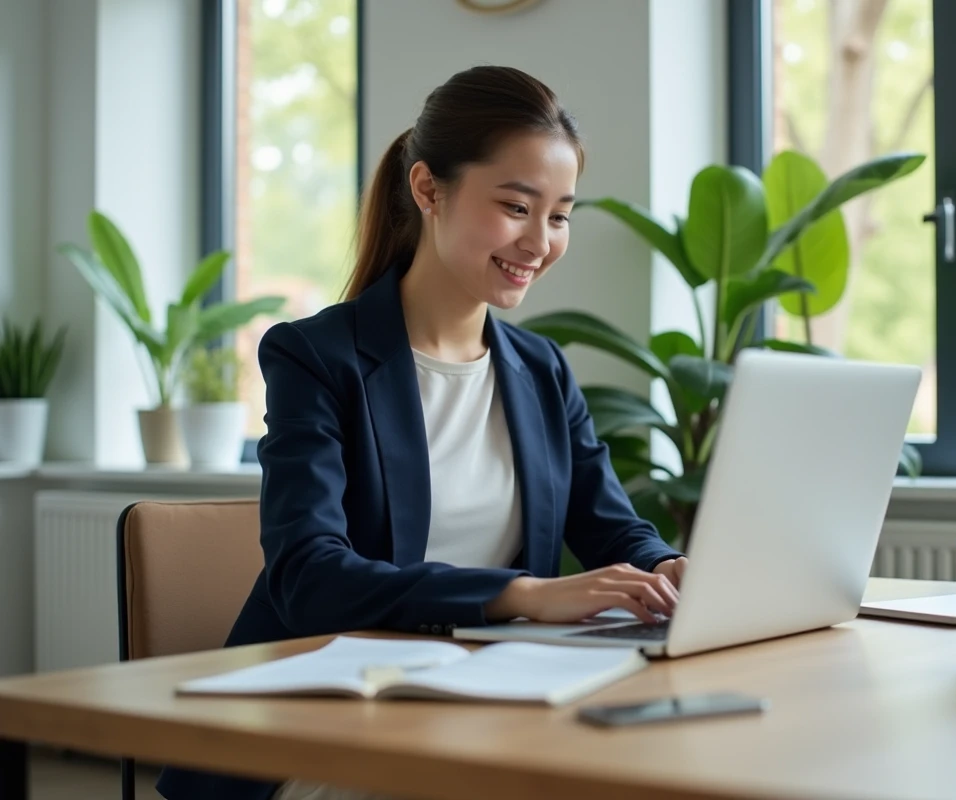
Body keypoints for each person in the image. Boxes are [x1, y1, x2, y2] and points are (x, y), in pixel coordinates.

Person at [156, 65, 687, 800]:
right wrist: (523, 594)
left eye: (560, 215)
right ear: (428, 190)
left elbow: (612, 528)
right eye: (515, 207)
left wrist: (667, 570)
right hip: (329, 724)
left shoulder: (540, 370)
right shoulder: (315, 356)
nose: (539, 241)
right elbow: (310, 577)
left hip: (487, 706)